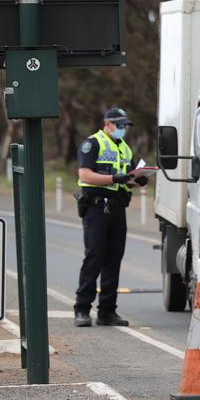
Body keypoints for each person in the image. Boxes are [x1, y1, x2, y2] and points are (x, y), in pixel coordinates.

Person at [73, 108, 148, 327]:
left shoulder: (124, 148)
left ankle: (107, 311)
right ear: (108, 124)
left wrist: (139, 180)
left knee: (114, 259)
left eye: (125, 125)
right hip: (96, 207)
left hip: (117, 208)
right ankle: (82, 309)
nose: (124, 129)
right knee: (94, 257)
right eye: (120, 125)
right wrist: (115, 178)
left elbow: (130, 175)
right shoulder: (93, 143)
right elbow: (84, 175)